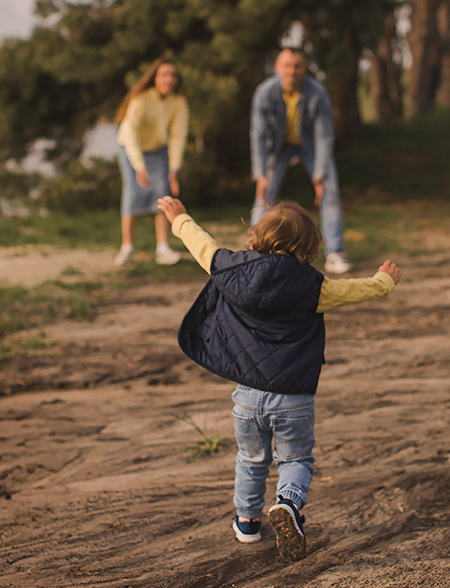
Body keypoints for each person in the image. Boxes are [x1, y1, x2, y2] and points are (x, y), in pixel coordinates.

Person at [156, 194, 402, 561]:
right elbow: (353, 290)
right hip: (294, 397)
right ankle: (287, 503)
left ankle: (248, 523)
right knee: (296, 460)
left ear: (257, 237)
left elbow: (202, 246)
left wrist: (180, 219)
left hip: (248, 397)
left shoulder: (232, 269)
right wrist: (383, 282)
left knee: (251, 459)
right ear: (308, 246)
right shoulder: (312, 286)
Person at [250, 46, 352, 275]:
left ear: (304, 68)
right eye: (287, 65)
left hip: (310, 147)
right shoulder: (265, 93)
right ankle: (254, 252)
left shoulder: (317, 92)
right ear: (278, 67)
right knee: (264, 195)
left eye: (297, 66)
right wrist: (260, 175)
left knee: (330, 192)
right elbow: (257, 136)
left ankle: (335, 252)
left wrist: (319, 173)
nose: (292, 71)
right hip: (277, 148)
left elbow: (324, 135)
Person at [114, 57, 189, 266]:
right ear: (155, 78)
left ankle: (162, 248)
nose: (169, 79)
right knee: (133, 192)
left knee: (163, 193)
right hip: (131, 148)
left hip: (158, 150)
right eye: (164, 75)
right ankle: (127, 247)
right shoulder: (140, 99)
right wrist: (139, 166)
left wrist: (174, 168)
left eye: (173, 75)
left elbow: (178, 136)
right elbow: (130, 134)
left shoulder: (179, 102)